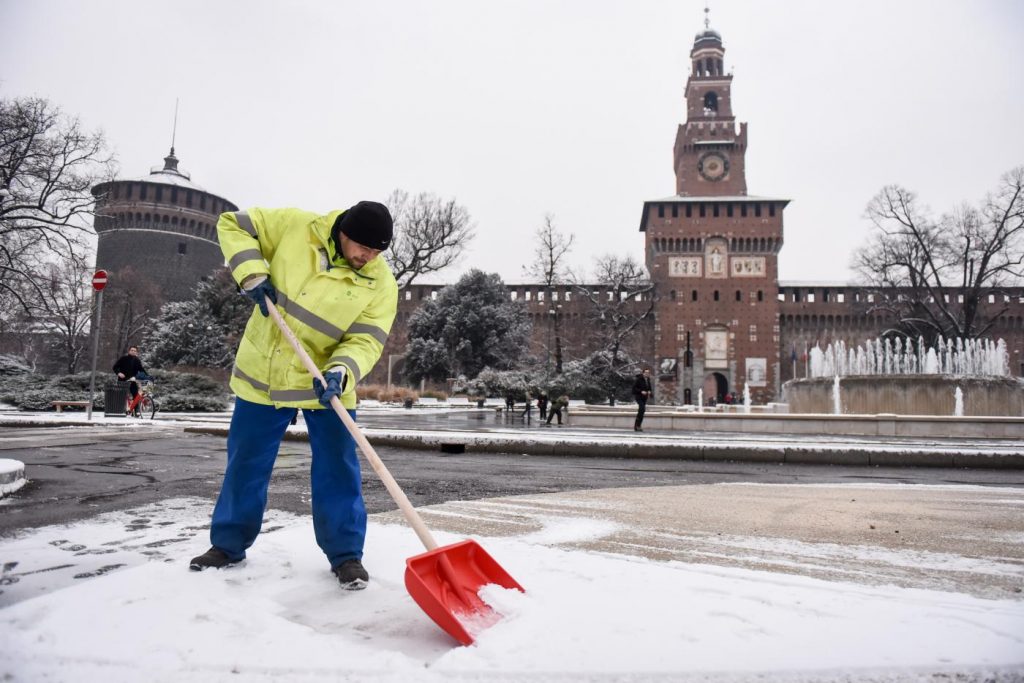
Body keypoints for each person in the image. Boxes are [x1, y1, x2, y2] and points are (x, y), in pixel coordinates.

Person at [189, 202, 398, 591]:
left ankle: (346, 555)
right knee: (246, 462)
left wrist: (343, 370)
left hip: (328, 381)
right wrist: (251, 273)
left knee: (338, 467)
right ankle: (228, 545)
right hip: (265, 371)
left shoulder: (380, 283)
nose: (368, 257)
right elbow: (232, 224)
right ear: (344, 233)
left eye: (377, 252)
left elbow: (368, 339)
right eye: (364, 248)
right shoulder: (295, 227)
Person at [112, 345, 149, 412]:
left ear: (136, 352)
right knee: (121, 395)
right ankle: (120, 411)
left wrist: (147, 376)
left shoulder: (137, 360)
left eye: (135, 351)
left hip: (133, 380)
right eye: (132, 350)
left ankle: (135, 411)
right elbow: (115, 367)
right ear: (129, 351)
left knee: (135, 394)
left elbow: (141, 369)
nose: (133, 352)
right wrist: (119, 373)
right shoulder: (123, 358)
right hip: (123, 380)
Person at [632, 367, 652, 432]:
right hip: (638, 397)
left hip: (644, 397)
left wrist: (649, 392)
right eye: (646, 372)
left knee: (642, 411)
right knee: (642, 409)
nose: (647, 374)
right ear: (643, 373)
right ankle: (637, 426)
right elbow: (634, 389)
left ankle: (638, 426)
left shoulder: (648, 379)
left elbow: (649, 388)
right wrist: (641, 391)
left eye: (648, 373)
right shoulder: (639, 379)